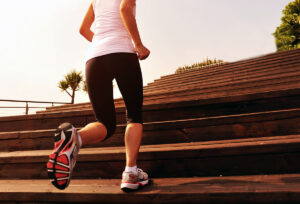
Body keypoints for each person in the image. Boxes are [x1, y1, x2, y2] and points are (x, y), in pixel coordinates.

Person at [46, 0, 150, 192]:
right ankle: (131, 172)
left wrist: (103, 42)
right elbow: (125, 8)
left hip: (94, 58)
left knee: (105, 123)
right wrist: (138, 44)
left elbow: (83, 29)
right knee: (134, 115)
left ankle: (76, 137)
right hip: (122, 53)